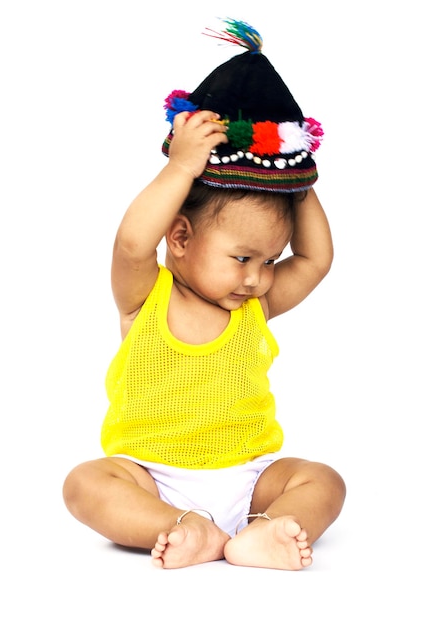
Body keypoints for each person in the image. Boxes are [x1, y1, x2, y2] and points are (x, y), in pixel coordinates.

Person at [62, 19, 346, 571]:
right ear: (182, 237)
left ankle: (264, 533)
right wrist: (182, 166)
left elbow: (315, 261)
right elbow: (132, 241)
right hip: (152, 477)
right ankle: (178, 528)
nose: (257, 278)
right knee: (85, 483)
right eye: (243, 259)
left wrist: (298, 180)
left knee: (323, 480)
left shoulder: (255, 307)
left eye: (268, 261)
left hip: (248, 478)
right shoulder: (146, 297)